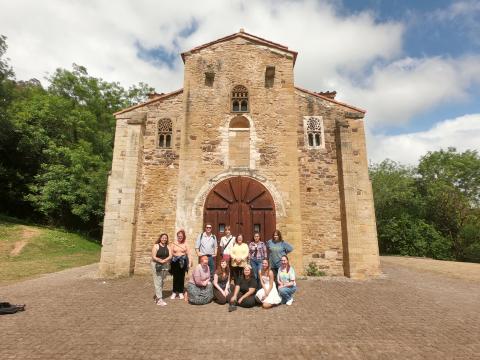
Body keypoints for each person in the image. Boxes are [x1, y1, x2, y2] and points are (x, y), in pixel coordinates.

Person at [170, 229, 193, 300]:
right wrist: (175, 255)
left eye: (181, 236)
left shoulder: (185, 244)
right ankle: (174, 292)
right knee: (175, 277)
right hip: (175, 262)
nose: (180, 237)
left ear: (183, 237)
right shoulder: (173, 243)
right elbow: (170, 253)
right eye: (179, 236)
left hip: (183, 261)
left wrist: (189, 263)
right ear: (177, 236)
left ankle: (180, 292)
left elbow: (189, 254)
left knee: (181, 277)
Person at [151, 233, 172, 306]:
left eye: (165, 238)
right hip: (156, 265)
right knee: (158, 281)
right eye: (163, 238)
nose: (164, 239)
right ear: (160, 238)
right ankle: (160, 299)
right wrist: (160, 261)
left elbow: (170, 255)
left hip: (165, 265)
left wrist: (165, 260)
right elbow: (153, 256)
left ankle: (157, 297)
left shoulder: (168, 246)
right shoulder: (156, 246)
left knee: (162, 281)